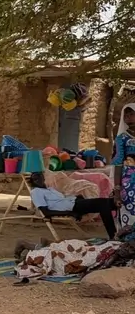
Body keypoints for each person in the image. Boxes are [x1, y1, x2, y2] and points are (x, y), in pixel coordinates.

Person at [28, 172, 118, 240]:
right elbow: (46, 212)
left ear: (43, 178)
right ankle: (113, 236)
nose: (38, 181)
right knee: (103, 204)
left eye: (40, 178)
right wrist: (70, 213)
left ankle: (115, 235)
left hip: (75, 202)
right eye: (35, 179)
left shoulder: (50, 189)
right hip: (72, 208)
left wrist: (77, 197)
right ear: (32, 182)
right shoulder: (36, 192)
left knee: (110, 203)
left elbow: (64, 198)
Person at [113, 103, 135, 234]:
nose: (128, 117)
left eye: (131, 114)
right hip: (129, 184)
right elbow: (118, 163)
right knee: (129, 215)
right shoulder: (122, 138)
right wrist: (117, 191)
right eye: (126, 115)